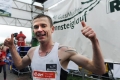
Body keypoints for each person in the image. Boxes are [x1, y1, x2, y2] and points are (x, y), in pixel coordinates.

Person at [4, 14, 106, 80]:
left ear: (52, 29)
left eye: (43, 26)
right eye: (36, 27)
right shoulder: (32, 51)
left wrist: (94, 41)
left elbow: (99, 69)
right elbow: (20, 65)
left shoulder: (64, 51)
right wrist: (12, 47)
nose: (39, 29)